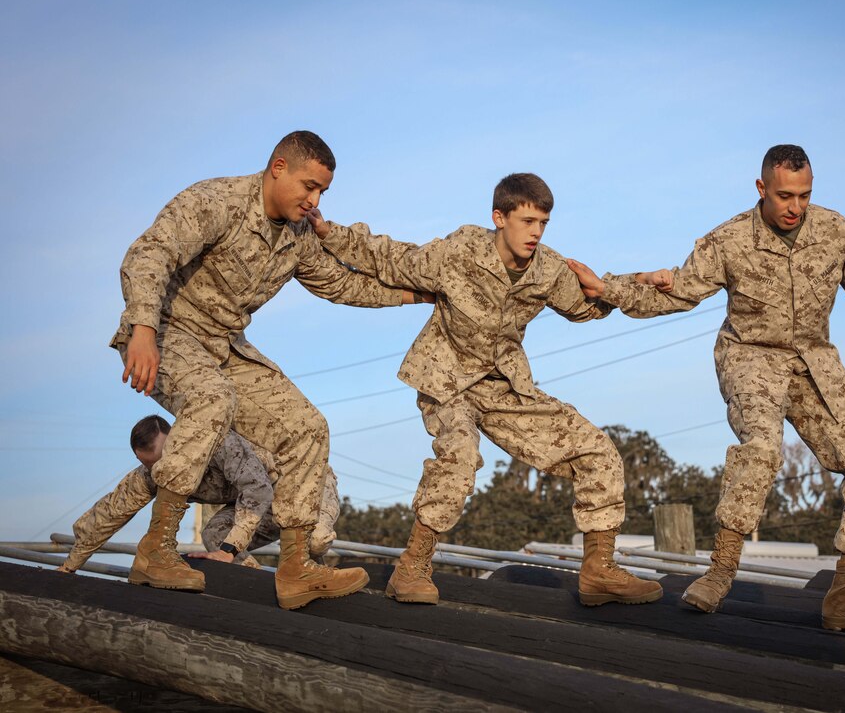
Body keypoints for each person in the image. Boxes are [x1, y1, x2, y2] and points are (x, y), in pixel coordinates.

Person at [567, 145, 845, 630]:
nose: (795, 207)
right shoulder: (729, 239)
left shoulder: (838, 233)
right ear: (761, 189)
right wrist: (609, 288)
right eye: (784, 196)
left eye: (804, 196)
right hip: (749, 355)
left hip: (814, 361)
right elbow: (680, 290)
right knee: (762, 445)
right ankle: (720, 572)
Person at [316, 173, 663, 607]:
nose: (535, 232)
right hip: (446, 380)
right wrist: (331, 234)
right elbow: (392, 258)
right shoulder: (460, 251)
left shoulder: (548, 269)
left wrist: (638, 281)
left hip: (503, 385)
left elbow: (586, 305)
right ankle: (411, 569)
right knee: (460, 456)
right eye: (528, 220)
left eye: (544, 223)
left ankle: (598, 571)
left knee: (597, 450)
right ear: (499, 217)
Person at [112, 130, 425, 609]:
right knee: (210, 399)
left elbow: (338, 284)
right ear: (278, 167)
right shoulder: (217, 201)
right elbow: (150, 253)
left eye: (322, 191)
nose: (314, 199)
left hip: (223, 346)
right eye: (308, 186)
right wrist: (142, 328)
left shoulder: (299, 234)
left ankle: (297, 568)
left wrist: (410, 296)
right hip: (169, 330)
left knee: (307, 428)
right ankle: (155, 550)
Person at [58, 415, 341, 573]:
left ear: (178, 439)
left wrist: (231, 551)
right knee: (213, 536)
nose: (162, 470)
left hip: (305, 481)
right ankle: (257, 588)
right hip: (256, 503)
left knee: (314, 542)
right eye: (153, 466)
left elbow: (257, 489)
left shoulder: (217, 441)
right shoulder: (157, 471)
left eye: (164, 460)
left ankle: (315, 576)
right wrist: (70, 565)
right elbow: (112, 511)